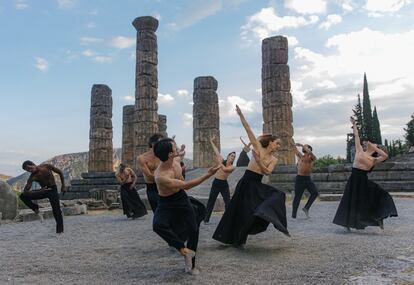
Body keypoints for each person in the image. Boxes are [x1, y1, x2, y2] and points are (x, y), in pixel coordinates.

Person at [213, 105, 289, 248]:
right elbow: (248, 129)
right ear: (271, 142)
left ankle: (271, 222)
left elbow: (267, 172)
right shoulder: (258, 147)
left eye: (279, 145)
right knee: (238, 210)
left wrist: (259, 162)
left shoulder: (274, 159)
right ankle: (235, 240)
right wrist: (241, 114)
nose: (278, 146)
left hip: (257, 184)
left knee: (277, 195)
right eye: (277, 143)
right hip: (246, 182)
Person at [152, 138, 220, 274]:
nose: (176, 147)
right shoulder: (160, 176)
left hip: (181, 199)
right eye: (174, 147)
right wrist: (208, 174)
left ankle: (192, 266)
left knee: (193, 228)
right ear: (170, 154)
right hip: (166, 202)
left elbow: (183, 189)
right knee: (158, 225)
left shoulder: (175, 161)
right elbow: (187, 186)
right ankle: (183, 250)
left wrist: (181, 150)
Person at [333, 117, 398, 230]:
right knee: (350, 201)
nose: (368, 144)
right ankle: (347, 223)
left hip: (364, 181)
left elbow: (385, 156)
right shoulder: (359, 151)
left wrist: (375, 148)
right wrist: (354, 125)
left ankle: (379, 217)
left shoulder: (374, 160)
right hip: (354, 179)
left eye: (372, 144)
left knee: (379, 196)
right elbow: (357, 137)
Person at [19, 161, 65, 234]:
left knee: (56, 210)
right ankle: (36, 209)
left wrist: (63, 186)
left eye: (29, 168)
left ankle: (60, 231)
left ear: (33, 164)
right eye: (28, 170)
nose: (30, 170)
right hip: (43, 191)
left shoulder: (47, 166)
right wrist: (40, 191)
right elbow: (25, 191)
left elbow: (60, 172)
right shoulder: (32, 177)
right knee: (22, 196)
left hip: (53, 190)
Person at [204, 137, 236, 224]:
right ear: (228, 156)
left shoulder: (232, 167)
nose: (232, 157)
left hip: (224, 184)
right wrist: (211, 141)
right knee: (211, 201)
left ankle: (227, 219)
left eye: (234, 157)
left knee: (227, 202)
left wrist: (220, 163)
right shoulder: (222, 160)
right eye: (231, 155)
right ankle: (206, 219)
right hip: (216, 183)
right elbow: (216, 151)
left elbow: (225, 170)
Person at [290, 139, 319, 218]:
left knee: (315, 193)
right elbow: (294, 149)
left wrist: (302, 145)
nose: (304, 147)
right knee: (297, 197)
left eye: (306, 146)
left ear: (309, 149)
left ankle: (306, 207)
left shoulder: (311, 158)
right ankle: (294, 215)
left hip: (307, 179)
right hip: (299, 179)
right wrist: (292, 142)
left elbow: (311, 154)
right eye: (304, 147)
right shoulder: (300, 156)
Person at [137, 133, 164, 212]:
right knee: (157, 210)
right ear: (152, 144)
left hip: (164, 185)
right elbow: (148, 175)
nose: (162, 145)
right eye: (160, 143)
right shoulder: (142, 158)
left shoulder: (163, 155)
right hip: (152, 187)